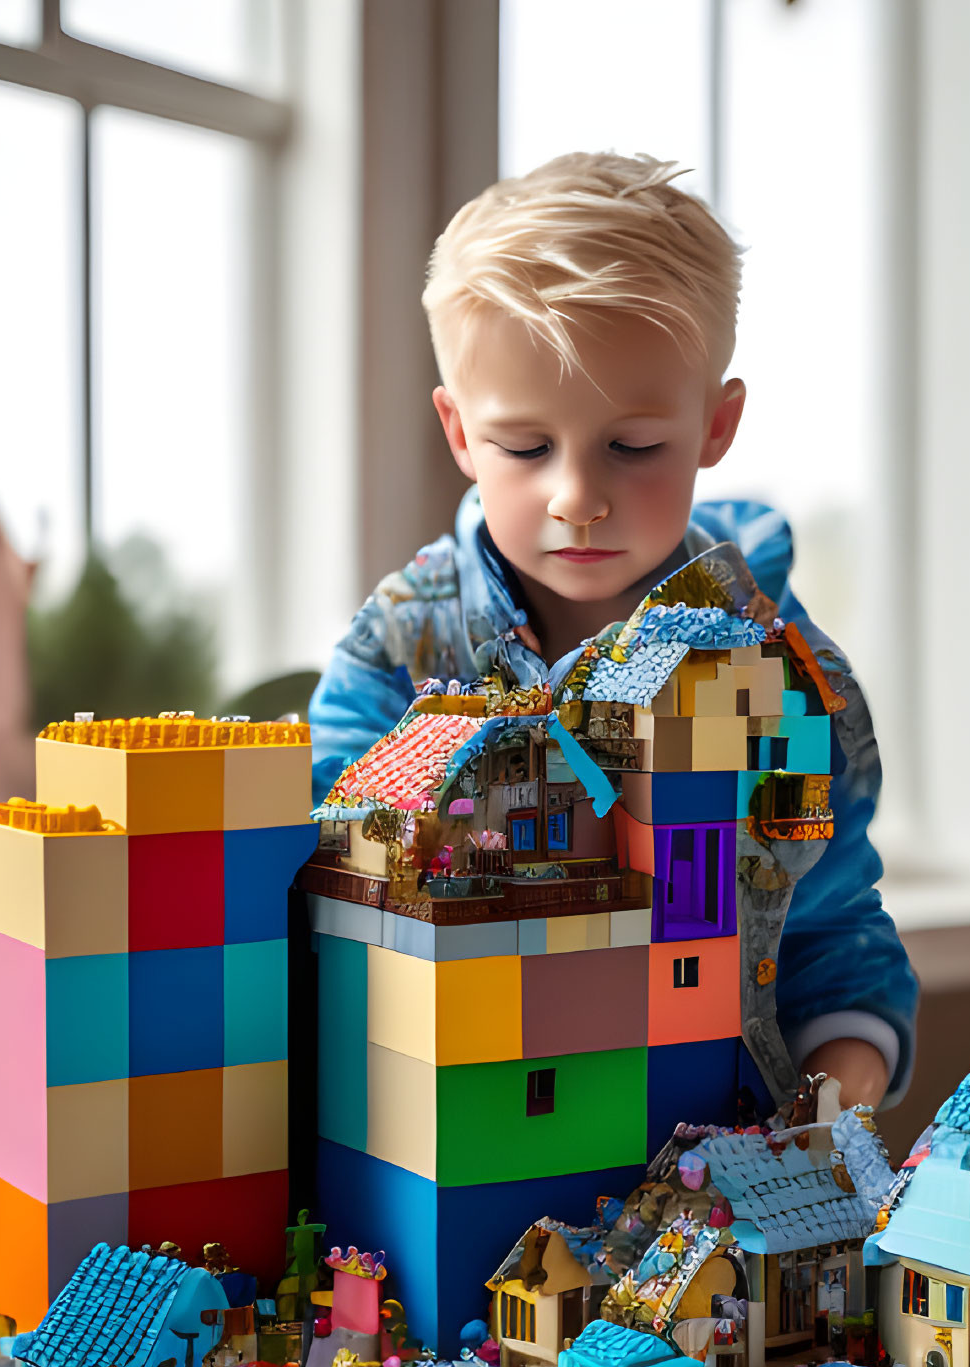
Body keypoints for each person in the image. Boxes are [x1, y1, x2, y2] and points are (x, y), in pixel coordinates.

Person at [308, 153, 916, 1110]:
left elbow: (831, 931)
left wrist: (835, 1096)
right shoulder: (399, 649)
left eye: (633, 448)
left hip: (705, 1145)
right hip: (456, 1117)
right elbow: (324, 895)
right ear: (460, 432)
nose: (578, 498)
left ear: (716, 427)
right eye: (527, 447)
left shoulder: (781, 669)